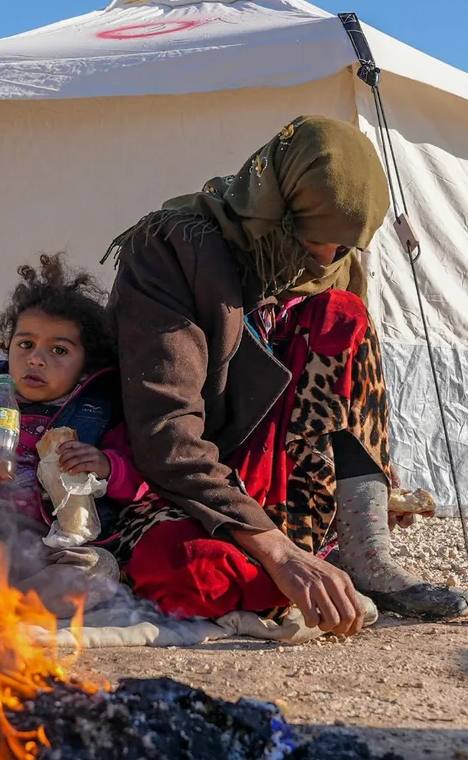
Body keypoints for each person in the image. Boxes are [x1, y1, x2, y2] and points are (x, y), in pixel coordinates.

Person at [106, 115, 468, 635]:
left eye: (341, 247)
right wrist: (274, 547)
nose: (324, 259)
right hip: (174, 482)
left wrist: (371, 494)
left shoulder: (335, 265)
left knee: (343, 313)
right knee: (200, 573)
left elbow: (349, 395)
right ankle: (289, 558)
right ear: (275, 205)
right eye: (310, 237)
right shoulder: (173, 249)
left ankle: (363, 560)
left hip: (280, 488)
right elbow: (167, 436)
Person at [0, 254, 146, 617]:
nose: (36, 359)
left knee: (101, 569)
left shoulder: (100, 414)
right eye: (25, 344)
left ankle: (2, 607)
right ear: (8, 346)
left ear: (86, 365)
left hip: (48, 549)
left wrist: (108, 466)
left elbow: (141, 481)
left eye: (59, 350)